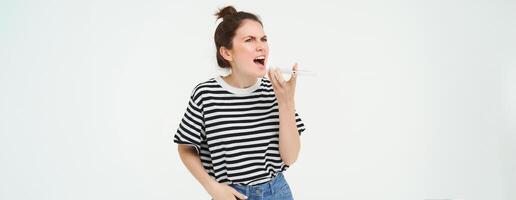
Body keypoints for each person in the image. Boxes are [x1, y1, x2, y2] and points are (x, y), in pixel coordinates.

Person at [173, 5, 306, 200]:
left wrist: (286, 102)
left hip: (277, 192)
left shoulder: (274, 91)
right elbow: (185, 148)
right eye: (249, 40)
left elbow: (290, 157)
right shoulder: (206, 94)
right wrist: (213, 188)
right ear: (227, 53)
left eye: (263, 39)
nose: (261, 46)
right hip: (232, 195)